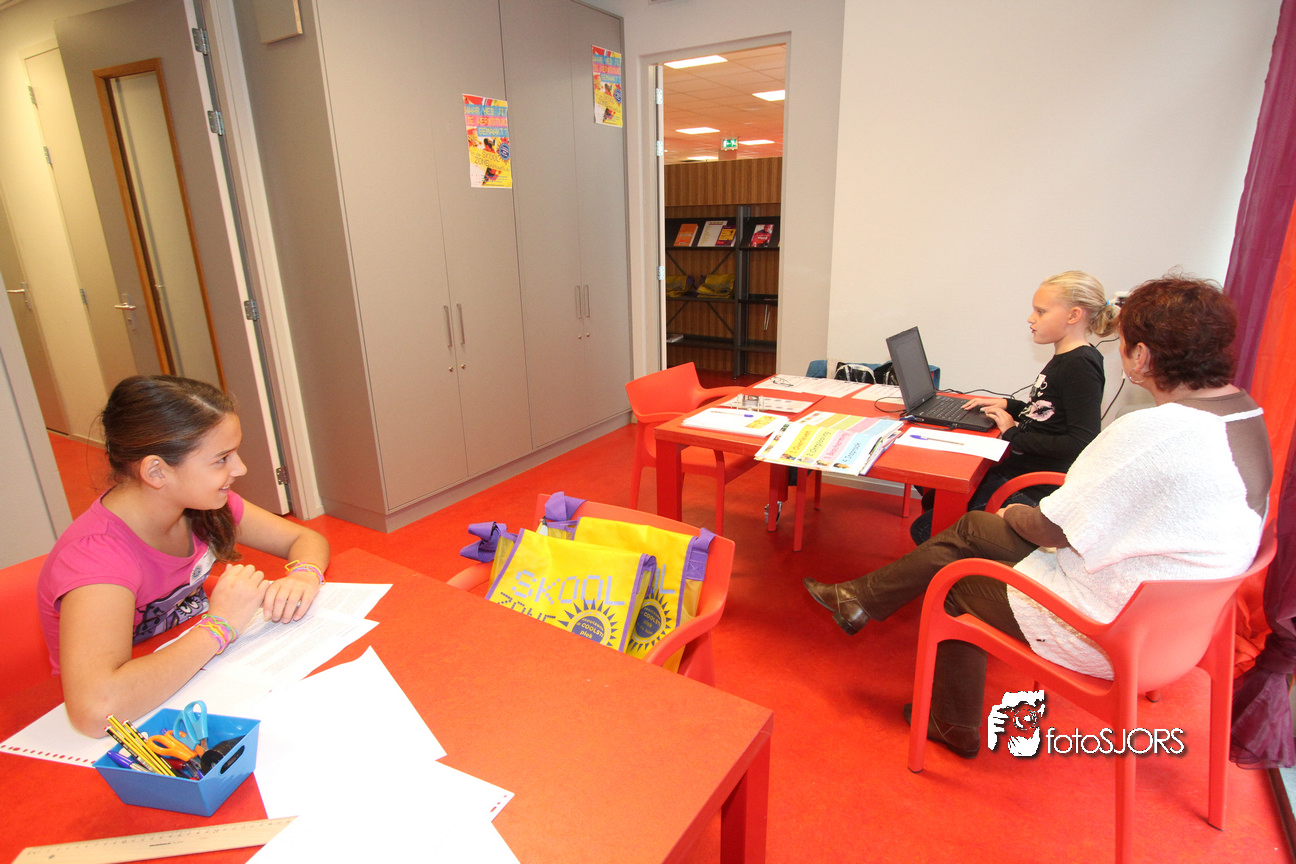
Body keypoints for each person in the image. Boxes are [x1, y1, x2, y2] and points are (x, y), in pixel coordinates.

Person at [803, 275, 1272, 758]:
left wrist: (1014, 513)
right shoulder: (1244, 414)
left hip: (1114, 628)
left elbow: (1052, 528)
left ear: (1142, 356)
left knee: (958, 584)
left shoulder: (1152, 431)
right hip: (1174, 624)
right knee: (972, 527)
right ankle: (858, 599)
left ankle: (950, 722)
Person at [38, 375, 331, 737]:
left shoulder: (200, 506)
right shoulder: (97, 558)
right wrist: (220, 625)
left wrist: (304, 574)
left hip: (190, 670)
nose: (239, 469)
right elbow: (96, 710)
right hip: (135, 708)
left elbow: (304, 538)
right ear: (157, 471)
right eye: (222, 459)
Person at [908, 270, 1114, 544]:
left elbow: (1080, 441)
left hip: (1031, 484)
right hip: (1019, 468)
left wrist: (1011, 432)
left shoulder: (1080, 365)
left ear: (1073, 315)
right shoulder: (1067, 357)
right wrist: (1010, 405)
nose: (1031, 318)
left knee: (925, 529)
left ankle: (962, 566)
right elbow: (1048, 412)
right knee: (935, 495)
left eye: (1041, 312)